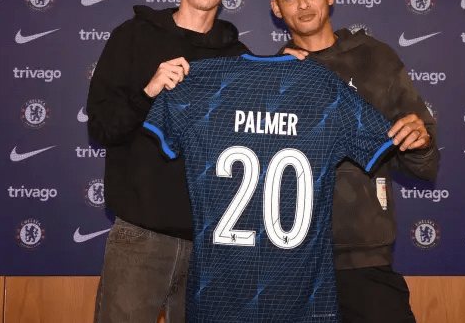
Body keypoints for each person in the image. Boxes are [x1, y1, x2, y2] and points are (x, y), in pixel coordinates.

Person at [142, 52, 396, 323]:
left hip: (220, 296)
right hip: (300, 298)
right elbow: (384, 141)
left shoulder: (197, 84)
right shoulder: (322, 85)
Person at [269, 0, 439, 323]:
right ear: (276, 8)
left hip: (366, 260)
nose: (303, 4)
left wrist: (420, 142)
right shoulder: (270, 76)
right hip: (291, 264)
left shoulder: (376, 59)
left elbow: (424, 162)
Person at [86, 0, 248, 323]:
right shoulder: (133, 37)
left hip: (211, 244)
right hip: (140, 238)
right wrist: (149, 90)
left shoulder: (238, 57)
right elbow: (103, 128)